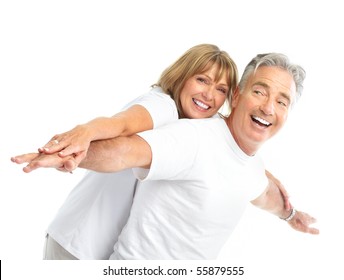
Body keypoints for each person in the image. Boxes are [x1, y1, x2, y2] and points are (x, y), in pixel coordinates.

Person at [12, 47, 295, 259]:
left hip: (103, 248)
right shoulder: (163, 107)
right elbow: (121, 125)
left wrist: (261, 172)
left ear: (229, 97)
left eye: (220, 88)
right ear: (183, 77)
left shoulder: (198, 124)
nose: (209, 94)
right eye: (201, 80)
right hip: (78, 242)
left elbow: (228, 149)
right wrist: (81, 136)